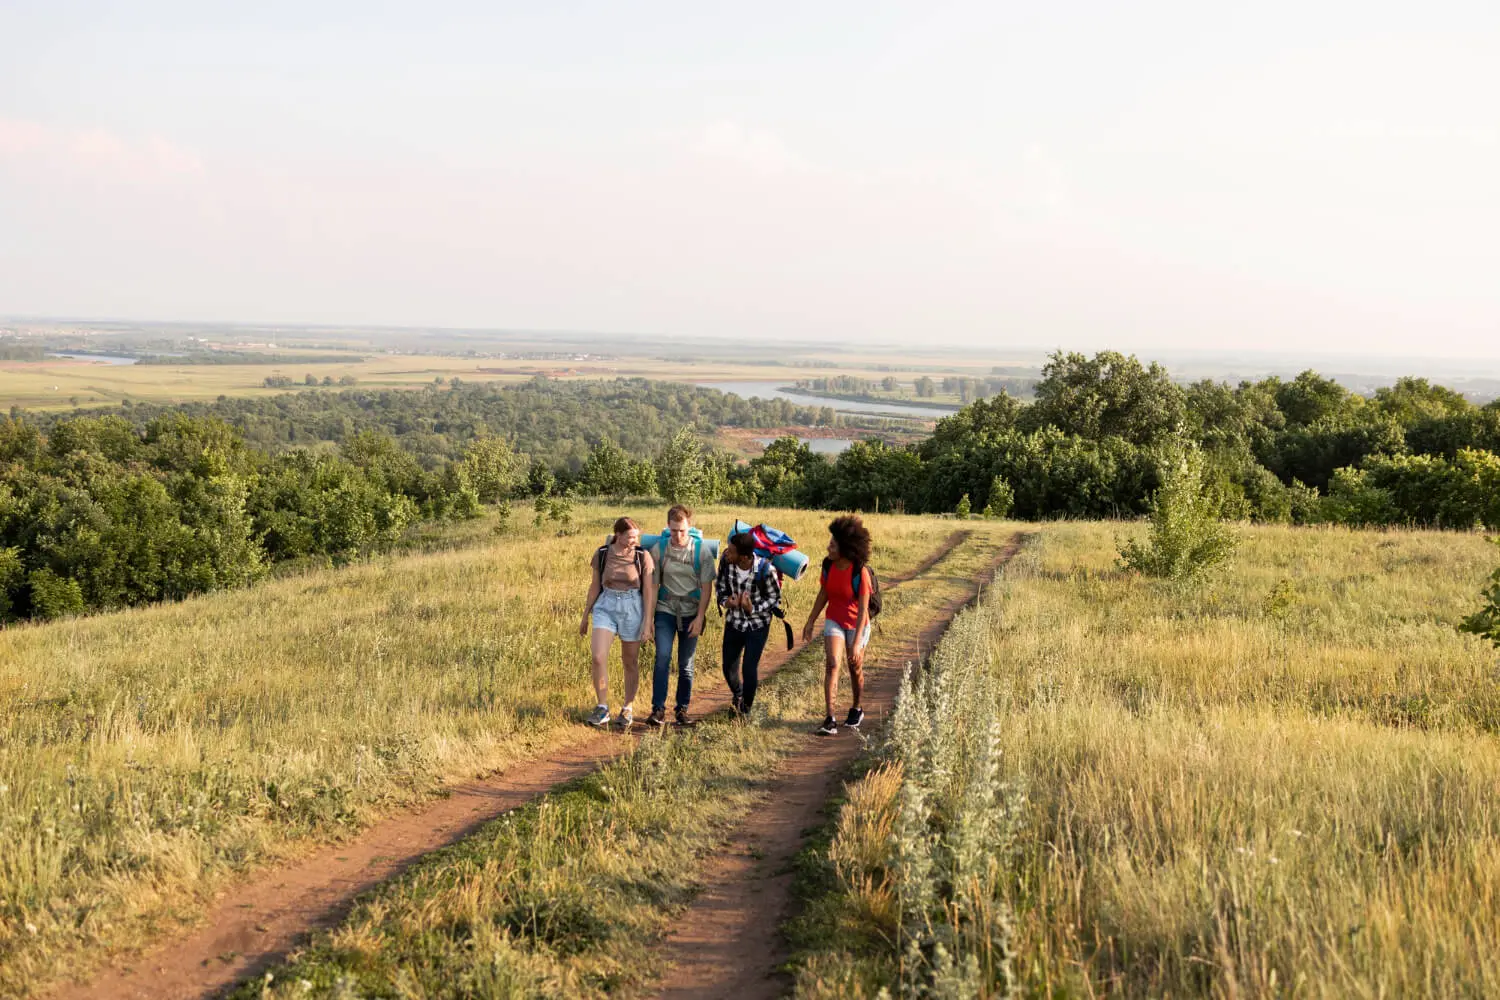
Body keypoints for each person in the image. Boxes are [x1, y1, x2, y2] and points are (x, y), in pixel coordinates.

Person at [580, 516, 655, 728]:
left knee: (629, 661)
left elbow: (648, 591)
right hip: (606, 605)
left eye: (636, 537)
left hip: (632, 607)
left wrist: (647, 622)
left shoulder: (642, 556)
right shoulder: (603, 554)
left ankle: (627, 707)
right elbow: (595, 586)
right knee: (598, 656)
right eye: (630, 537)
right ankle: (602, 707)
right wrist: (585, 615)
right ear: (618, 535)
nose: (634, 541)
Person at [801, 515, 872, 735]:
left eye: (832, 544)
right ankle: (830, 718)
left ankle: (856, 708)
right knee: (832, 664)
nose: (827, 547)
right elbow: (824, 593)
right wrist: (811, 620)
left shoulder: (860, 571)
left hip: (857, 624)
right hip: (834, 620)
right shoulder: (828, 565)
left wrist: (858, 643)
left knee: (854, 666)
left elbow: (863, 611)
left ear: (845, 548)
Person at [647, 504, 716, 727]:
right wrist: (648, 619)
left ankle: (682, 709)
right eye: (674, 530)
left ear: (689, 527)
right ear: (668, 527)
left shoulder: (701, 551)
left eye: (683, 531)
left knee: (686, 663)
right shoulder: (659, 549)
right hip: (665, 610)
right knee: (663, 657)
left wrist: (700, 617)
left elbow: (707, 588)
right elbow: (653, 586)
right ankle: (658, 709)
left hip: (691, 612)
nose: (678, 535)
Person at [716, 530, 782, 718]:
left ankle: (745, 709)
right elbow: (719, 586)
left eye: (731, 551)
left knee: (749, 668)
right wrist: (726, 601)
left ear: (744, 557)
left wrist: (752, 607)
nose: (727, 554)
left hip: (758, 625)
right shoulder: (726, 563)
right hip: (734, 623)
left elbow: (774, 599)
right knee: (728, 667)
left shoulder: (767, 570)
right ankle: (738, 694)